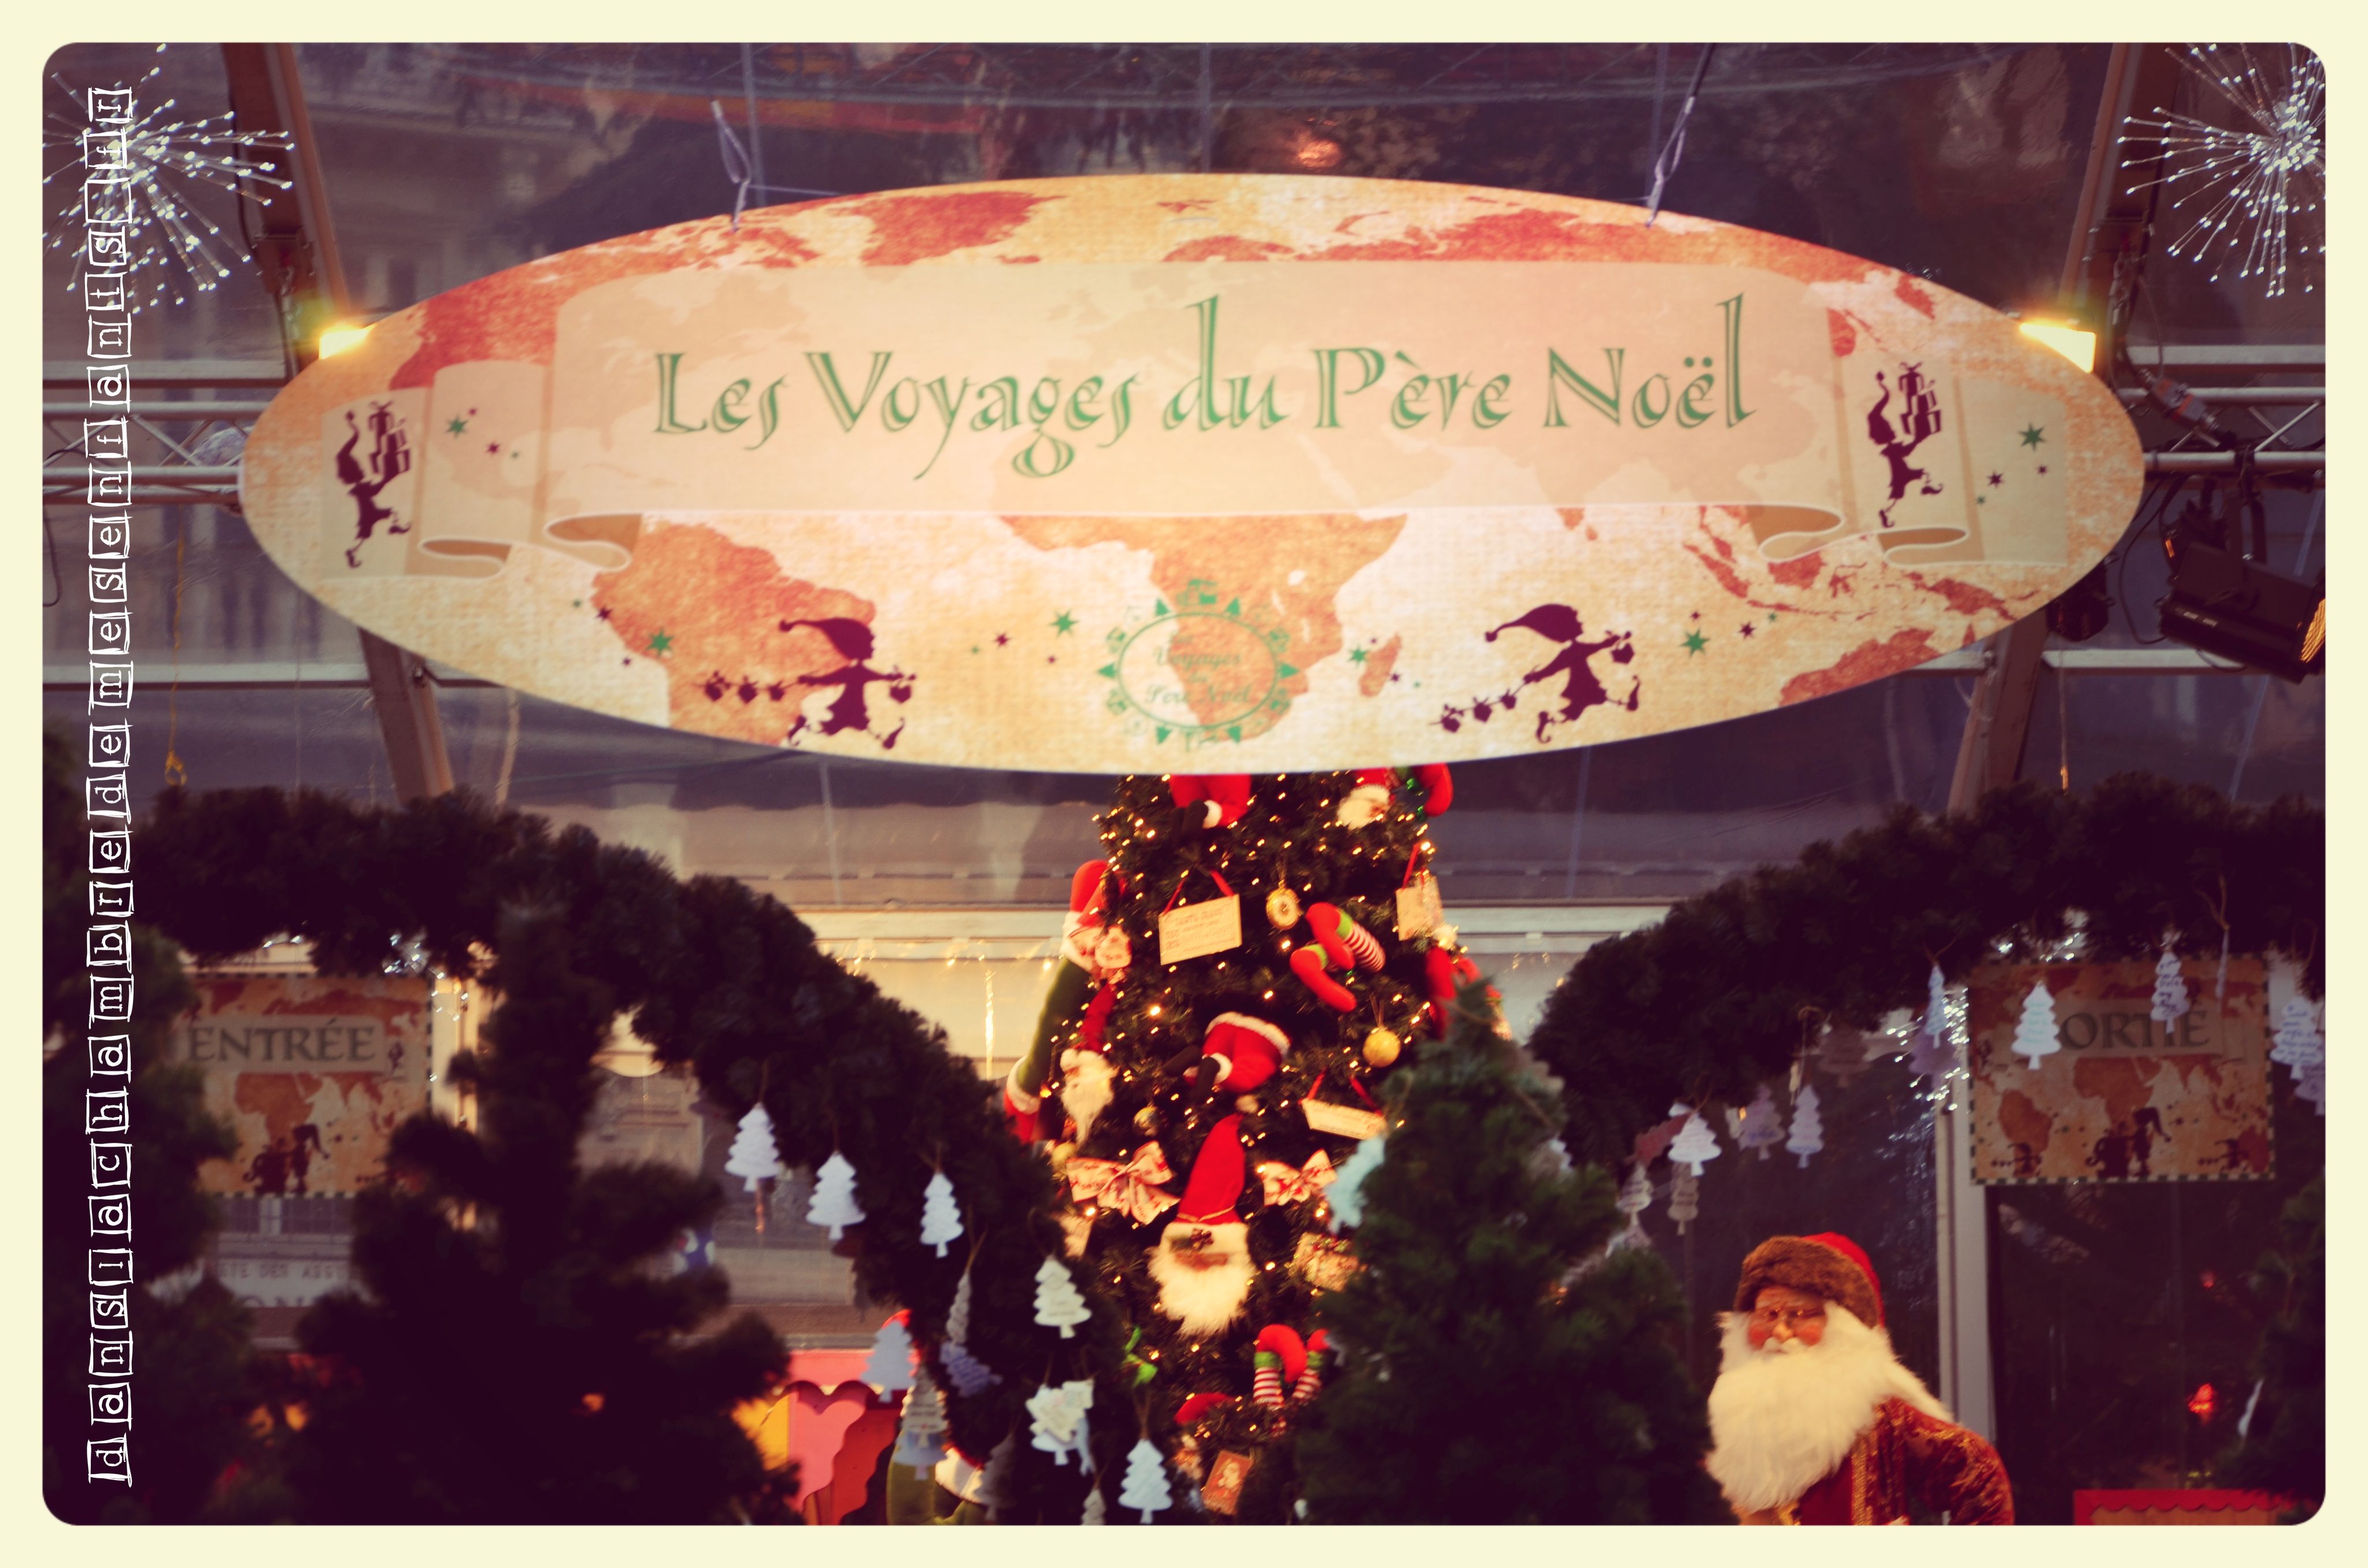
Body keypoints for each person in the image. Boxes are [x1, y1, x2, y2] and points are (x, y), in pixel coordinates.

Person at [1704, 1232, 2013, 1525]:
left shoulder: (1883, 1419)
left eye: (1800, 1315)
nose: (1780, 1333)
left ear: (1843, 1328)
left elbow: (1979, 1474)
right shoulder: (1725, 1419)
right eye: (1769, 1315)